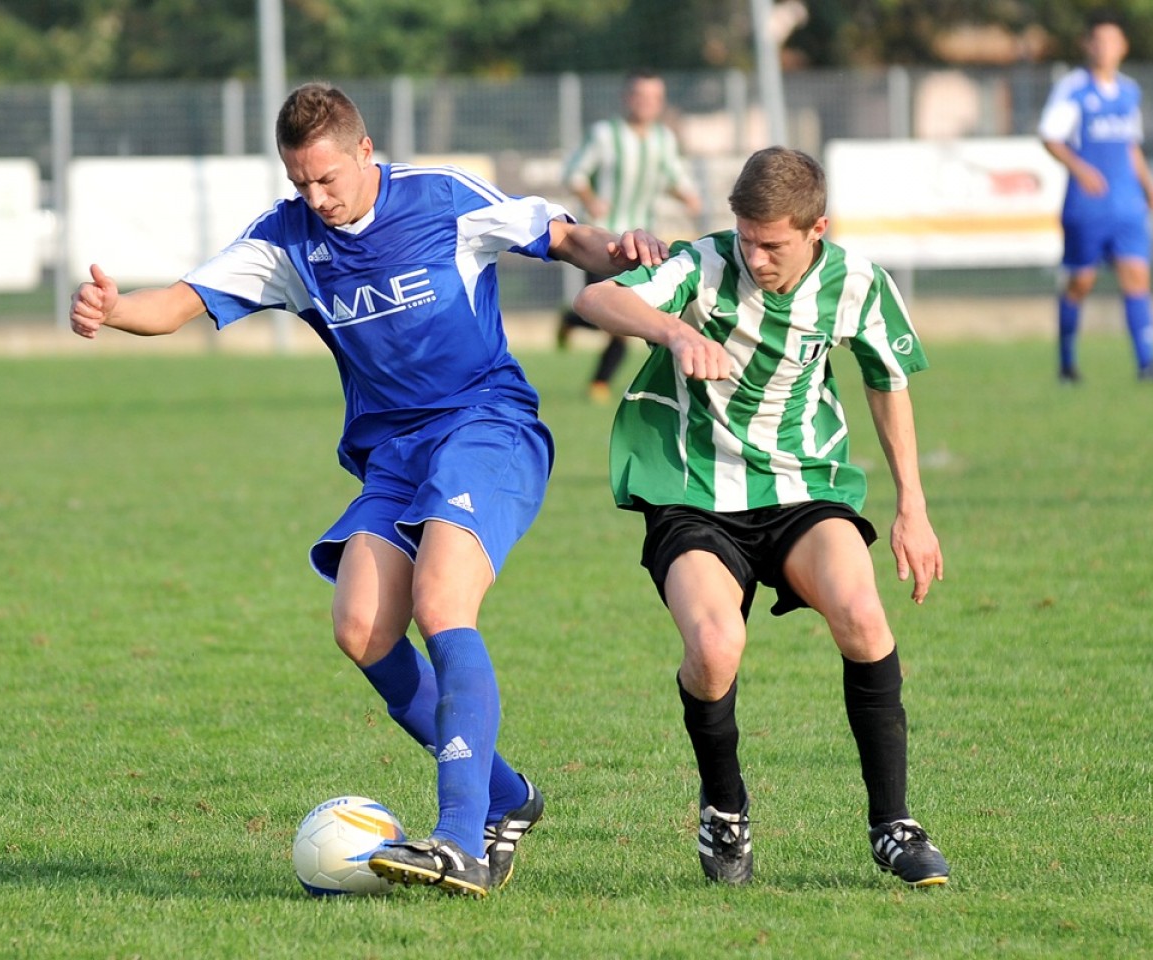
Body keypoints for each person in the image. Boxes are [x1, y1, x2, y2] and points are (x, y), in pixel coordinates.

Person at [69, 82, 668, 899]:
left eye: (327, 180)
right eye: (299, 184)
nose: (316, 198)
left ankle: (462, 842)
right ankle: (505, 795)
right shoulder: (287, 242)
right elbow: (180, 302)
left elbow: (562, 238)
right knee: (360, 628)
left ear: (365, 153)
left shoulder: (441, 199)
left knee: (442, 601)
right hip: (392, 455)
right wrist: (115, 309)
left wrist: (621, 250)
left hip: (484, 425)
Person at [572, 147, 950, 888]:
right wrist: (675, 331)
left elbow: (886, 382)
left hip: (803, 488)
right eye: (746, 237)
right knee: (715, 648)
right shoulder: (706, 265)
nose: (755, 256)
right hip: (691, 491)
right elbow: (595, 300)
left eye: (773, 243)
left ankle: (894, 827)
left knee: (864, 617)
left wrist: (914, 506)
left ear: (818, 230)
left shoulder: (858, 283)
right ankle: (724, 813)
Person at [1039, 10, 1153, 384]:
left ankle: (1147, 365)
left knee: (1136, 277)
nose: (1106, 48)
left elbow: (1131, 145)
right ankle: (1067, 365)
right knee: (1080, 283)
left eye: (1113, 40)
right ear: (1087, 45)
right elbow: (1050, 136)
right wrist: (1082, 170)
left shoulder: (1130, 91)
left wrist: (1150, 185)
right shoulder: (1074, 89)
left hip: (1127, 203)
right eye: (1098, 40)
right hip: (1087, 206)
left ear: (1123, 46)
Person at [558, 70, 703, 402]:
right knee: (603, 312)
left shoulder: (664, 139)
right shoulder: (605, 135)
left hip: (644, 244)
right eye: (640, 96)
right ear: (627, 98)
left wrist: (690, 198)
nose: (646, 103)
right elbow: (573, 173)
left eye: (654, 97)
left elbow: (675, 178)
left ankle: (599, 383)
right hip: (605, 240)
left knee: (628, 312)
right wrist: (592, 199)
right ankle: (572, 322)